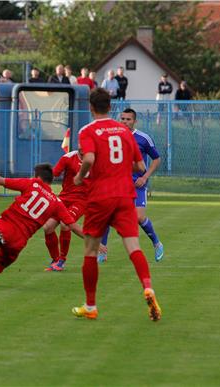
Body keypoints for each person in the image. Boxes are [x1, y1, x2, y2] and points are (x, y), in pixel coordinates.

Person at [71, 88, 161, 321]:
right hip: (124, 196)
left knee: (90, 251)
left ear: (91, 108)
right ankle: (148, 287)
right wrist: (120, 167)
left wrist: (80, 177)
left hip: (100, 197)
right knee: (134, 247)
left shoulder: (88, 131)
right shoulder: (124, 131)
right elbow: (141, 168)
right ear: (110, 107)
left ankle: (90, 306)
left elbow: (89, 158)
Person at [0, 161, 83, 286]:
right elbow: (73, 225)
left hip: (4, 226)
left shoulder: (33, 184)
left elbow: (0, 180)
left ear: (38, 177)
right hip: (18, 241)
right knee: (1, 264)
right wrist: (93, 241)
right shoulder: (56, 202)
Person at [97, 108, 164, 263]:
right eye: (123, 119)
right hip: (118, 184)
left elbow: (157, 159)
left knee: (139, 217)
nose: (125, 122)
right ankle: (103, 251)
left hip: (137, 184)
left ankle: (157, 243)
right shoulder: (113, 137)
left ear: (134, 121)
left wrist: (145, 176)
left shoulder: (143, 138)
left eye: (128, 119)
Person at [43, 150, 90, 272]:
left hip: (81, 201)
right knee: (47, 227)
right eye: (80, 142)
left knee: (65, 224)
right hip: (64, 198)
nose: (81, 146)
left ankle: (62, 261)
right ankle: (55, 259)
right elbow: (54, 173)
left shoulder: (95, 159)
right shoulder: (68, 158)